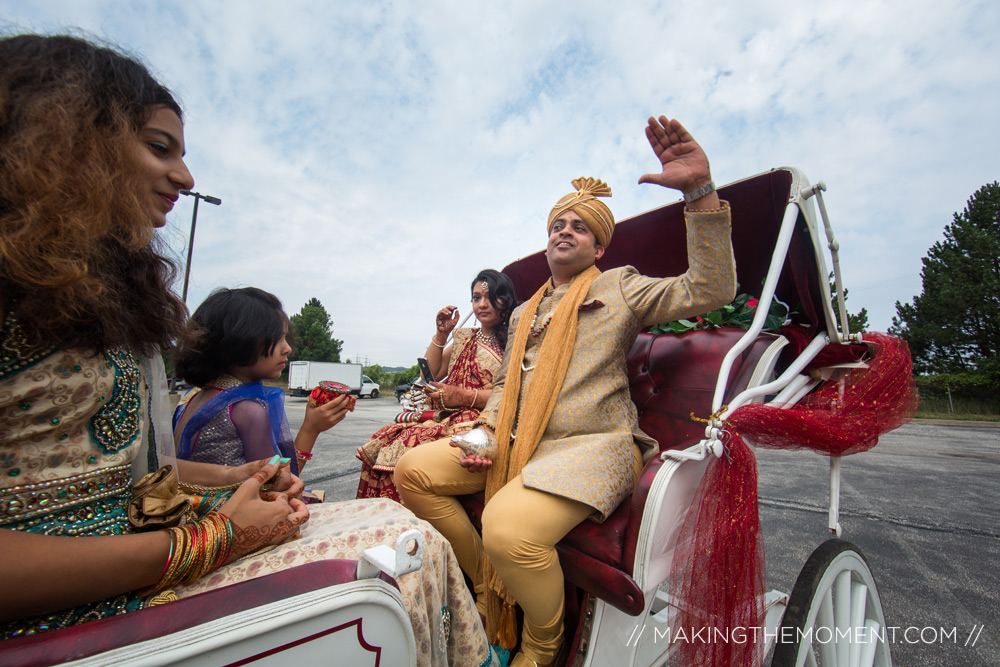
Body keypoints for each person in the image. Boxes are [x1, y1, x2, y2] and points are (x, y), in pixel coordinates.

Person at [0, 35, 495, 667]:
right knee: (403, 538)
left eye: (488, 297)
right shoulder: (250, 404)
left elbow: (145, 473)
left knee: (393, 504)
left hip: (148, 527)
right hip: (90, 593)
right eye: (159, 148)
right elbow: (427, 376)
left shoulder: (94, 296)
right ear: (63, 145)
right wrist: (214, 537)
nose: (185, 177)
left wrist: (237, 480)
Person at [395, 116, 737, 666]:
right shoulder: (527, 308)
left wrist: (699, 192)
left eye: (580, 226)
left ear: (599, 246)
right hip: (515, 441)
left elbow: (711, 287)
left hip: (593, 445)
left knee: (509, 529)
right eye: (559, 222)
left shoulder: (618, 285)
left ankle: (543, 644)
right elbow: (507, 385)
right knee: (413, 471)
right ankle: (486, 587)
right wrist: (483, 432)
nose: (565, 230)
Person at [356, 269, 516, 500]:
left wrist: (462, 396)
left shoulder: (516, 340)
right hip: (449, 415)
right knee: (386, 442)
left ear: (506, 299)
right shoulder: (466, 337)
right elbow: (431, 373)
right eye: (476, 297)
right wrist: (441, 336)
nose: (482, 304)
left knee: (408, 450)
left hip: (486, 420)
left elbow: (511, 391)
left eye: (491, 297)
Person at [172, 287, 349, 475]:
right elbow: (277, 484)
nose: (287, 348)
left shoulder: (191, 398)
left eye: (285, 338)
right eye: (276, 338)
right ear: (238, 342)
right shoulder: (247, 410)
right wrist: (310, 429)